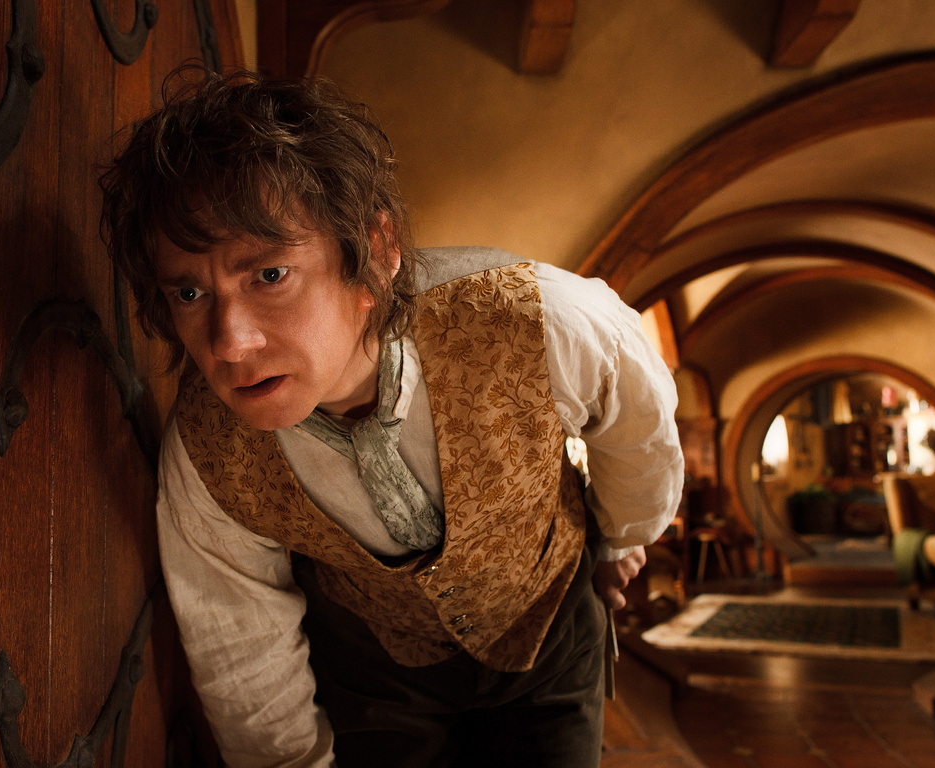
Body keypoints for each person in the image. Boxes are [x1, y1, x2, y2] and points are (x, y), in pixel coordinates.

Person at [99, 67, 683, 768]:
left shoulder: (537, 321)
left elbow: (640, 425)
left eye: (269, 275)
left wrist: (623, 536)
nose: (229, 343)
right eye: (191, 293)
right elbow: (239, 643)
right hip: (373, 676)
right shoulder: (205, 454)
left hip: (551, 633)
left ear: (374, 253)